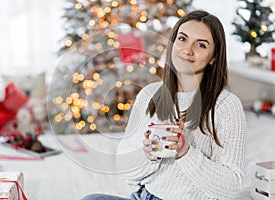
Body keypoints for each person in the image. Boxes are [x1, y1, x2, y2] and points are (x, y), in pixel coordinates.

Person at [81, 9, 247, 200]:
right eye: (182, 39)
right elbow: (126, 168)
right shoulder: (149, 94)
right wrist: (148, 154)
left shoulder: (226, 106)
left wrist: (185, 153)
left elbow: (232, 186)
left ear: (213, 57)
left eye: (201, 45)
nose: (187, 50)